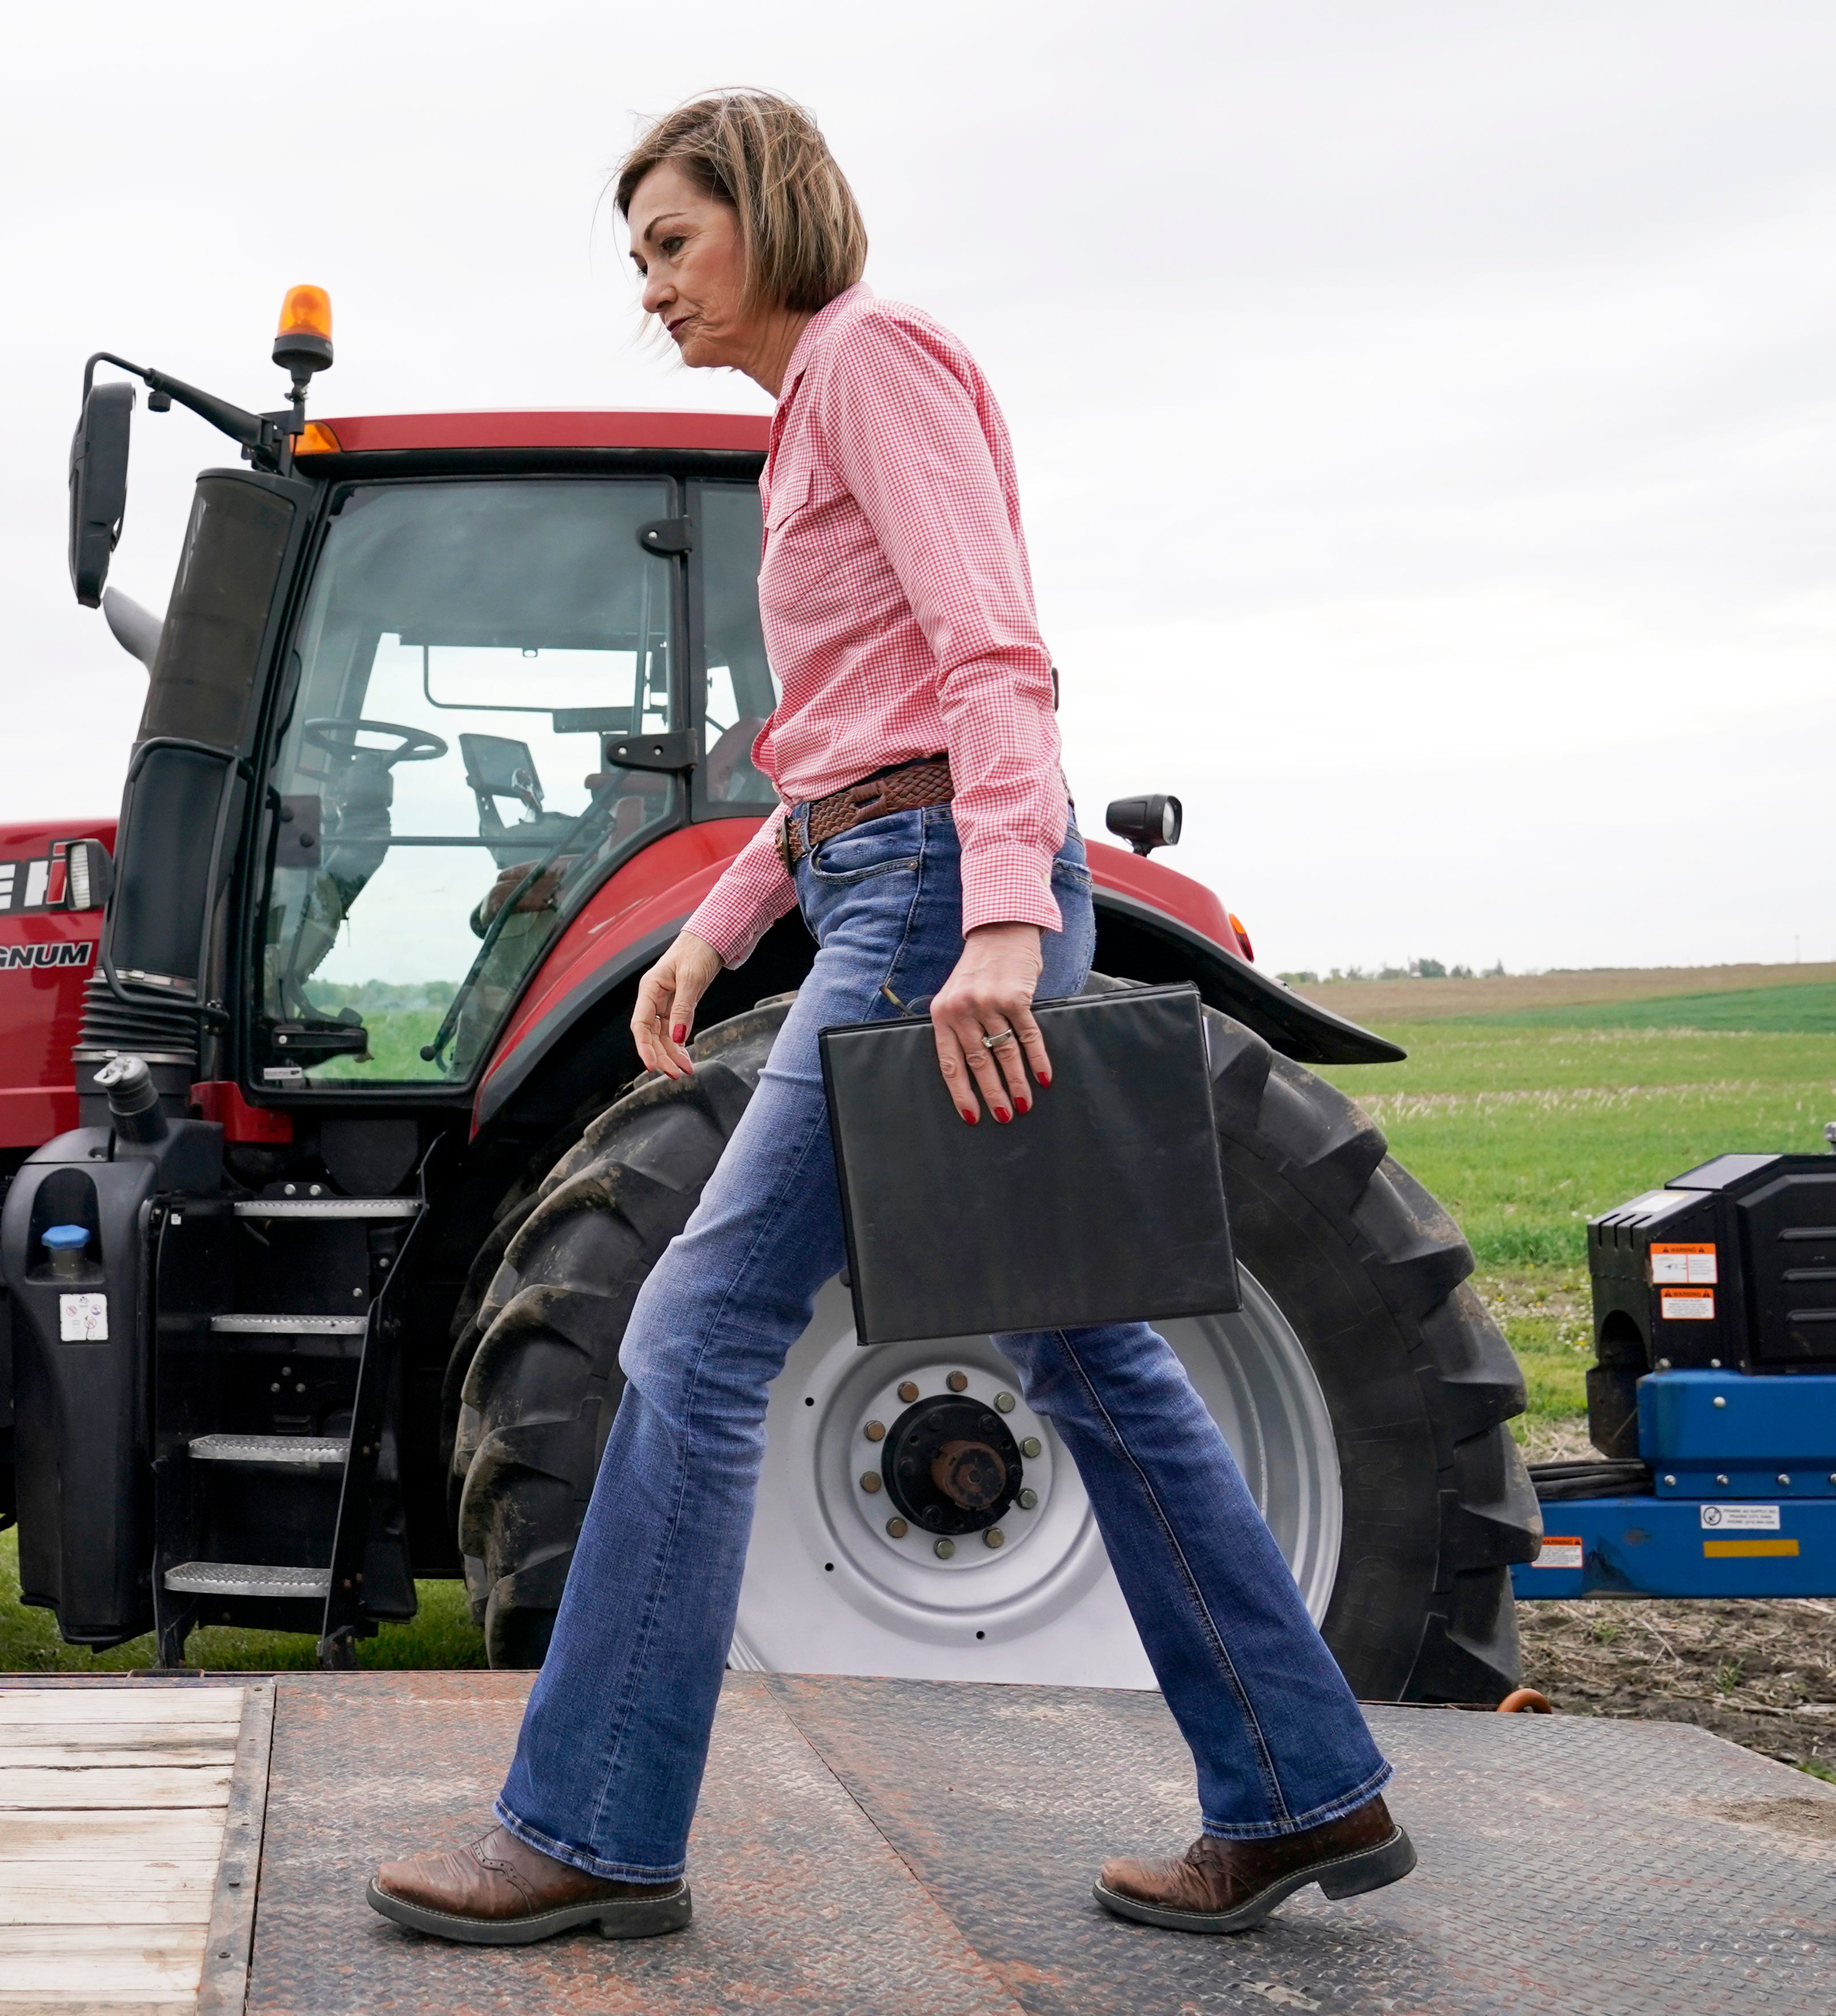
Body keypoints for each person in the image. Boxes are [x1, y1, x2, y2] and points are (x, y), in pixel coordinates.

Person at [369, 88, 1417, 1945]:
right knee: (1086, 1349)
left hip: (941, 896)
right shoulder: (803, 426)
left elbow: (993, 653)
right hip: (883, 871)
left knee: (692, 1331)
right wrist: (721, 922)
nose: (651, 289)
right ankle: (1300, 1786)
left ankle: (596, 1830)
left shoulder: (875, 360)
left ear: (770, 216)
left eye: (673, 244)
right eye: (635, 261)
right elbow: (847, 734)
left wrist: (1003, 922)